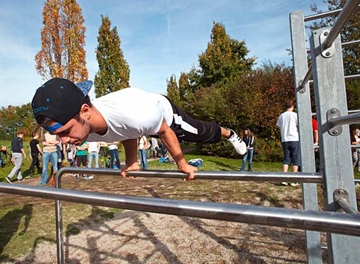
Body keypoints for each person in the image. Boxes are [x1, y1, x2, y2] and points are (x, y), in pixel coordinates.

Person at [31, 78, 246, 180]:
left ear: (85, 111)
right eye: (57, 135)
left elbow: (163, 130)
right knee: (134, 125)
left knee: (200, 133)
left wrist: (182, 164)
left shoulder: (134, 115)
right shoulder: (85, 126)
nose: (64, 141)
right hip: (140, 119)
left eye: (66, 132)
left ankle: (230, 133)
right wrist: (132, 162)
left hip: (163, 115)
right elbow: (123, 131)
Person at [276, 100, 300, 186]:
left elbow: (279, 126)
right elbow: (299, 125)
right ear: (292, 106)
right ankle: (294, 180)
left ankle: (284, 179)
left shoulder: (281, 116)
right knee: (295, 159)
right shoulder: (295, 115)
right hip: (294, 138)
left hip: (285, 139)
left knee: (286, 159)